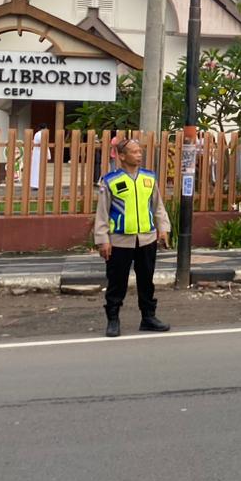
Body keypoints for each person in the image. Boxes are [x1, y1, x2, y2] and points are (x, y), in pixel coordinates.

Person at [94, 137, 171, 338]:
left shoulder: (149, 178)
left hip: (147, 238)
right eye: (134, 152)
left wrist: (163, 229)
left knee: (146, 280)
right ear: (121, 156)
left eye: (139, 151)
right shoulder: (110, 181)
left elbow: (158, 206)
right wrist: (103, 240)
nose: (139, 155)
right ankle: (113, 319)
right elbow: (102, 213)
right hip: (120, 240)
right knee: (117, 282)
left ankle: (148, 317)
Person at [29, 123, 48, 190]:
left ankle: (37, 184)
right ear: (45, 128)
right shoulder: (40, 134)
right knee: (38, 169)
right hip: (39, 153)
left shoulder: (37, 134)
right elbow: (42, 142)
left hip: (38, 152)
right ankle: (37, 184)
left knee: (37, 169)